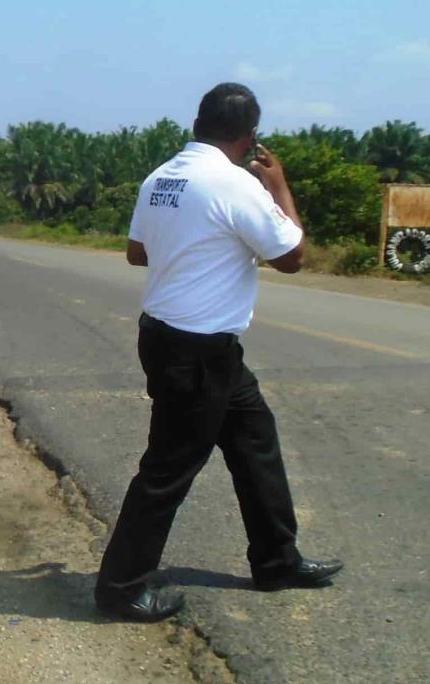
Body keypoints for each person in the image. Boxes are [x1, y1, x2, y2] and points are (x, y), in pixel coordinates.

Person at [94, 83, 343, 622]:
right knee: (166, 471)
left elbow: (138, 253)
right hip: (197, 350)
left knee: (257, 444)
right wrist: (278, 187)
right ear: (249, 136)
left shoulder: (162, 177)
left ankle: (278, 561)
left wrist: (193, 249)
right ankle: (120, 588)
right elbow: (294, 256)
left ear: (198, 123)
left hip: (186, 342)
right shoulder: (234, 184)